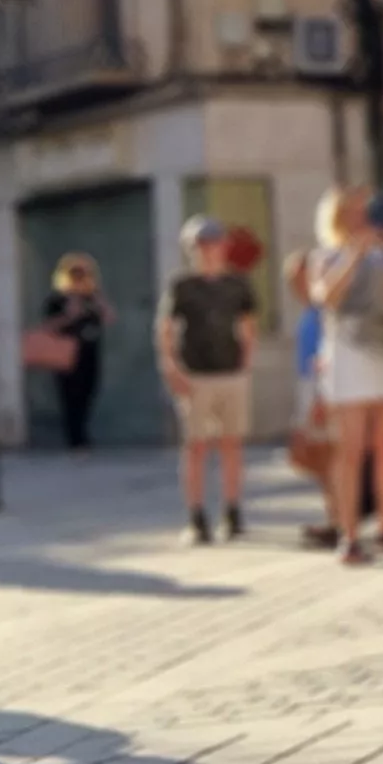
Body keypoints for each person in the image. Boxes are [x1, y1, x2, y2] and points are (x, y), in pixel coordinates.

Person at [308, 186, 383, 564]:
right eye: (352, 212)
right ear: (336, 218)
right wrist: (355, 255)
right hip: (349, 353)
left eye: (365, 211)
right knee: (351, 449)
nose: (361, 218)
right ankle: (350, 535)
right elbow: (326, 298)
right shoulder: (325, 256)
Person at [158, 218, 258, 544]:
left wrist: (245, 364)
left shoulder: (238, 285)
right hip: (196, 374)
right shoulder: (181, 286)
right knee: (196, 446)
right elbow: (166, 328)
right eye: (201, 245)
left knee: (232, 444)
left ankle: (233, 512)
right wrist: (172, 368)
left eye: (214, 243)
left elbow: (248, 325)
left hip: (230, 372)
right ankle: (197, 517)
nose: (209, 250)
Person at [36, 254, 109, 452]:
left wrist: (97, 299)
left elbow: (109, 317)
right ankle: (76, 441)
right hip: (65, 354)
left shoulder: (91, 297)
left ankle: (82, 436)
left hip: (89, 351)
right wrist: (69, 315)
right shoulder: (57, 299)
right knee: (69, 396)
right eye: (74, 275)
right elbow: (48, 326)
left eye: (83, 274)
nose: (79, 279)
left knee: (88, 393)